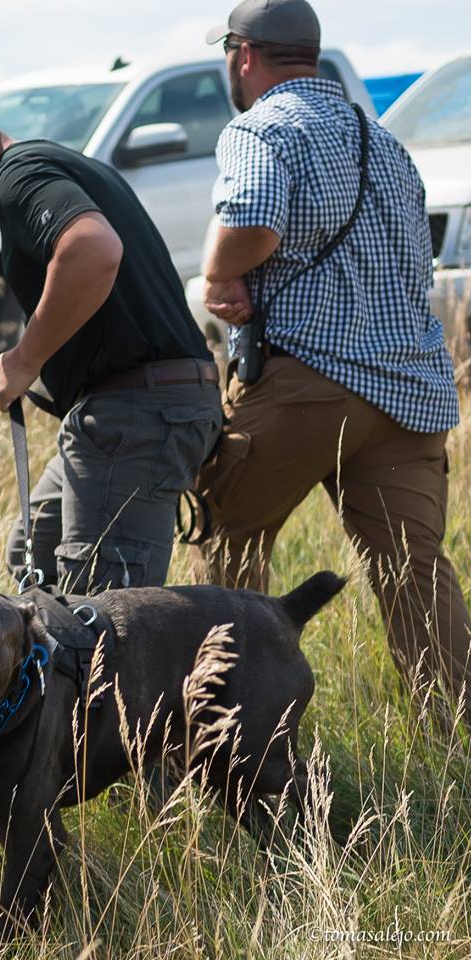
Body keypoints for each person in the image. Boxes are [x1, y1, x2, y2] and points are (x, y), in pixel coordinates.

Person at [194, 0, 471, 717]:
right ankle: (452, 736)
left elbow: (252, 217)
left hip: (307, 383)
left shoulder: (261, 128)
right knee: (415, 575)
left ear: (244, 54)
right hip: (411, 394)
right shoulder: (387, 144)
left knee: (227, 547)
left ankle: (232, 732)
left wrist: (220, 272)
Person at [0, 80, 222, 593]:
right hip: (130, 406)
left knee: (106, 614)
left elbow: (93, 249)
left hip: (138, 410)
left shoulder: (17, 174)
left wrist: (24, 360)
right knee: (31, 554)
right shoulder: (45, 165)